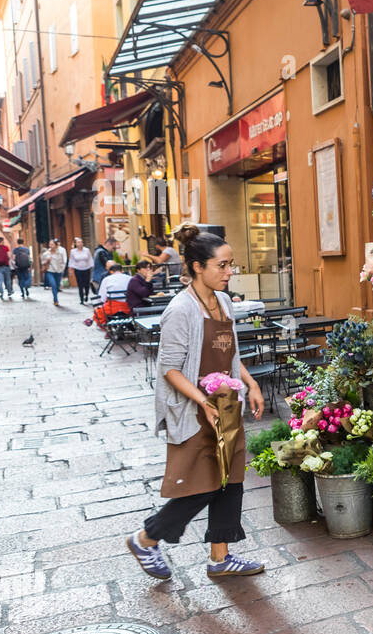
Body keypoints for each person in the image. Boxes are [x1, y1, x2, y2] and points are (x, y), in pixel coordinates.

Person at [126, 227, 266, 580]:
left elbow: (231, 353)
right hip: (196, 410)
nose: (229, 272)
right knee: (199, 486)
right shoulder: (180, 310)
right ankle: (146, 538)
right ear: (197, 267)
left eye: (231, 265)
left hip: (227, 406)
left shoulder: (225, 302)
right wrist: (203, 402)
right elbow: (169, 369)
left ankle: (221, 558)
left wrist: (250, 383)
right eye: (221, 265)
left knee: (230, 482)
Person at [67, 237, 93, 305]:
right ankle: (81, 299)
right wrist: (70, 270)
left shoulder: (87, 250)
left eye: (81, 242)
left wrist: (92, 267)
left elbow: (90, 259)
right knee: (80, 285)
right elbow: (71, 260)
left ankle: (86, 295)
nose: (80, 243)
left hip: (86, 268)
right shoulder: (73, 251)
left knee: (86, 284)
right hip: (78, 269)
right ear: (76, 244)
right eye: (78, 242)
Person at [44, 239, 67, 306]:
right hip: (50, 271)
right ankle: (56, 300)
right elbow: (43, 262)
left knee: (57, 286)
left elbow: (64, 261)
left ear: (56, 245)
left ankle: (55, 296)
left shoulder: (61, 251)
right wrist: (47, 261)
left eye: (52, 244)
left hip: (59, 271)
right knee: (53, 285)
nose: (50, 246)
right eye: (49, 244)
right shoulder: (47, 253)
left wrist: (62, 269)